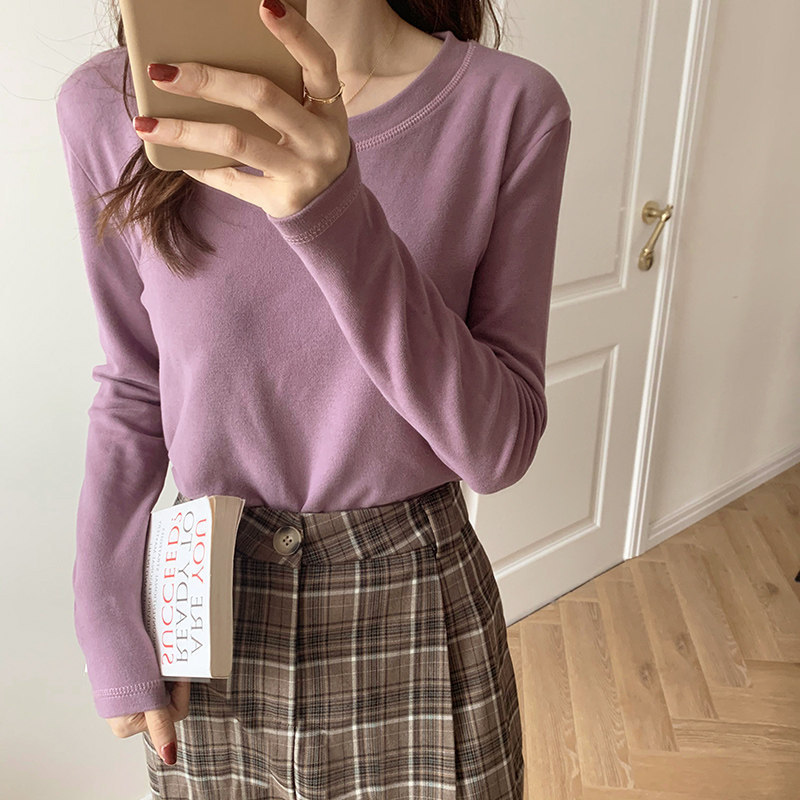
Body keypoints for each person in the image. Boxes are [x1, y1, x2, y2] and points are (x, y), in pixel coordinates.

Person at [55, 0, 571, 796]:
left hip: (415, 601)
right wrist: (105, 613)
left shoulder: (507, 107)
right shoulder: (111, 102)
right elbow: (133, 380)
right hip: (206, 601)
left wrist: (333, 214)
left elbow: (499, 450)